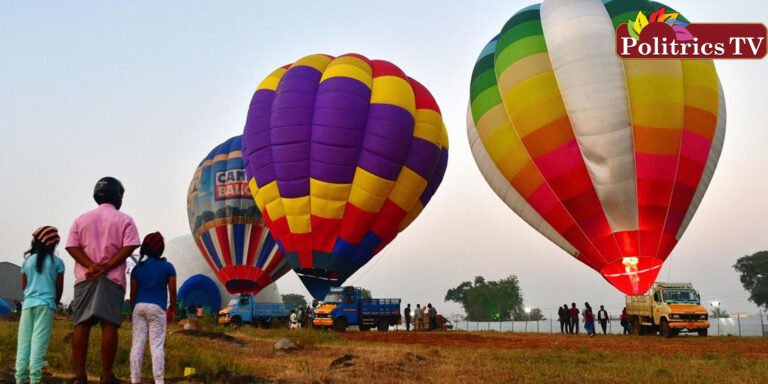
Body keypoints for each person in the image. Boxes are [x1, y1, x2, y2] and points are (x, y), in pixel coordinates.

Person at [66, 177, 141, 384]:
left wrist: (91, 266)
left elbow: (71, 246)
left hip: (85, 279)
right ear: (118, 195)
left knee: (81, 324)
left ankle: (79, 376)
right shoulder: (124, 219)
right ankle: (106, 375)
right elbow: (130, 246)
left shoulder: (82, 219)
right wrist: (106, 267)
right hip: (112, 279)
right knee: (109, 325)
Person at [15, 226, 65, 384]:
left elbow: (25, 287)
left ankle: (20, 379)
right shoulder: (57, 263)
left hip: (28, 305)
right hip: (46, 305)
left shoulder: (27, 262)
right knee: (38, 345)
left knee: (23, 344)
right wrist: (54, 303)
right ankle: (35, 379)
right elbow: (59, 288)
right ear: (53, 244)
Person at [129, 232, 176, 384]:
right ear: (160, 248)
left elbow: (133, 293)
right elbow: (172, 291)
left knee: (137, 344)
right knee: (156, 345)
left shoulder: (138, 268)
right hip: (157, 308)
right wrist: (173, 309)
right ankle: (159, 381)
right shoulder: (168, 267)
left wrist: (132, 311)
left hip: (139, 306)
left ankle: (135, 379)